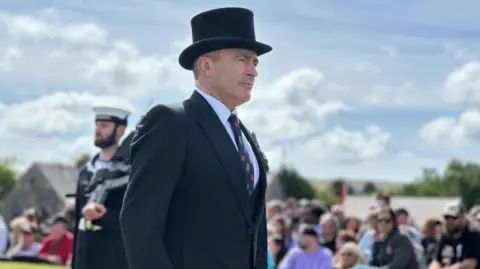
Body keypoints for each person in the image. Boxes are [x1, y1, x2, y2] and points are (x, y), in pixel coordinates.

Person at [120, 7, 272, 269]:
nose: (253, 71)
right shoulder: (171, 122)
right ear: (206, 65)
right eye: (242, 59)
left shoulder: (245, 138)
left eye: (255, 62)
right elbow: (139, 223)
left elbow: (253, 229)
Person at [72, 105, 131, 269]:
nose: (98, 130)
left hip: (116, 259)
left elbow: (136, 219)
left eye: (104, 126)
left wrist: (105, 216)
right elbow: (78, 223)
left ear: (120, 130)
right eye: (97, 125)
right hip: (84, 260)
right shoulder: (86, 171)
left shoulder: (132, 172)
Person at [429, 202, 480, 269]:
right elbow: (436, 261)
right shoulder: (444, 238)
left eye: (454, 217)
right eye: (447, 217)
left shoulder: (473, 236)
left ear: (463, 218)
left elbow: (470, 263)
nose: (450, 221)